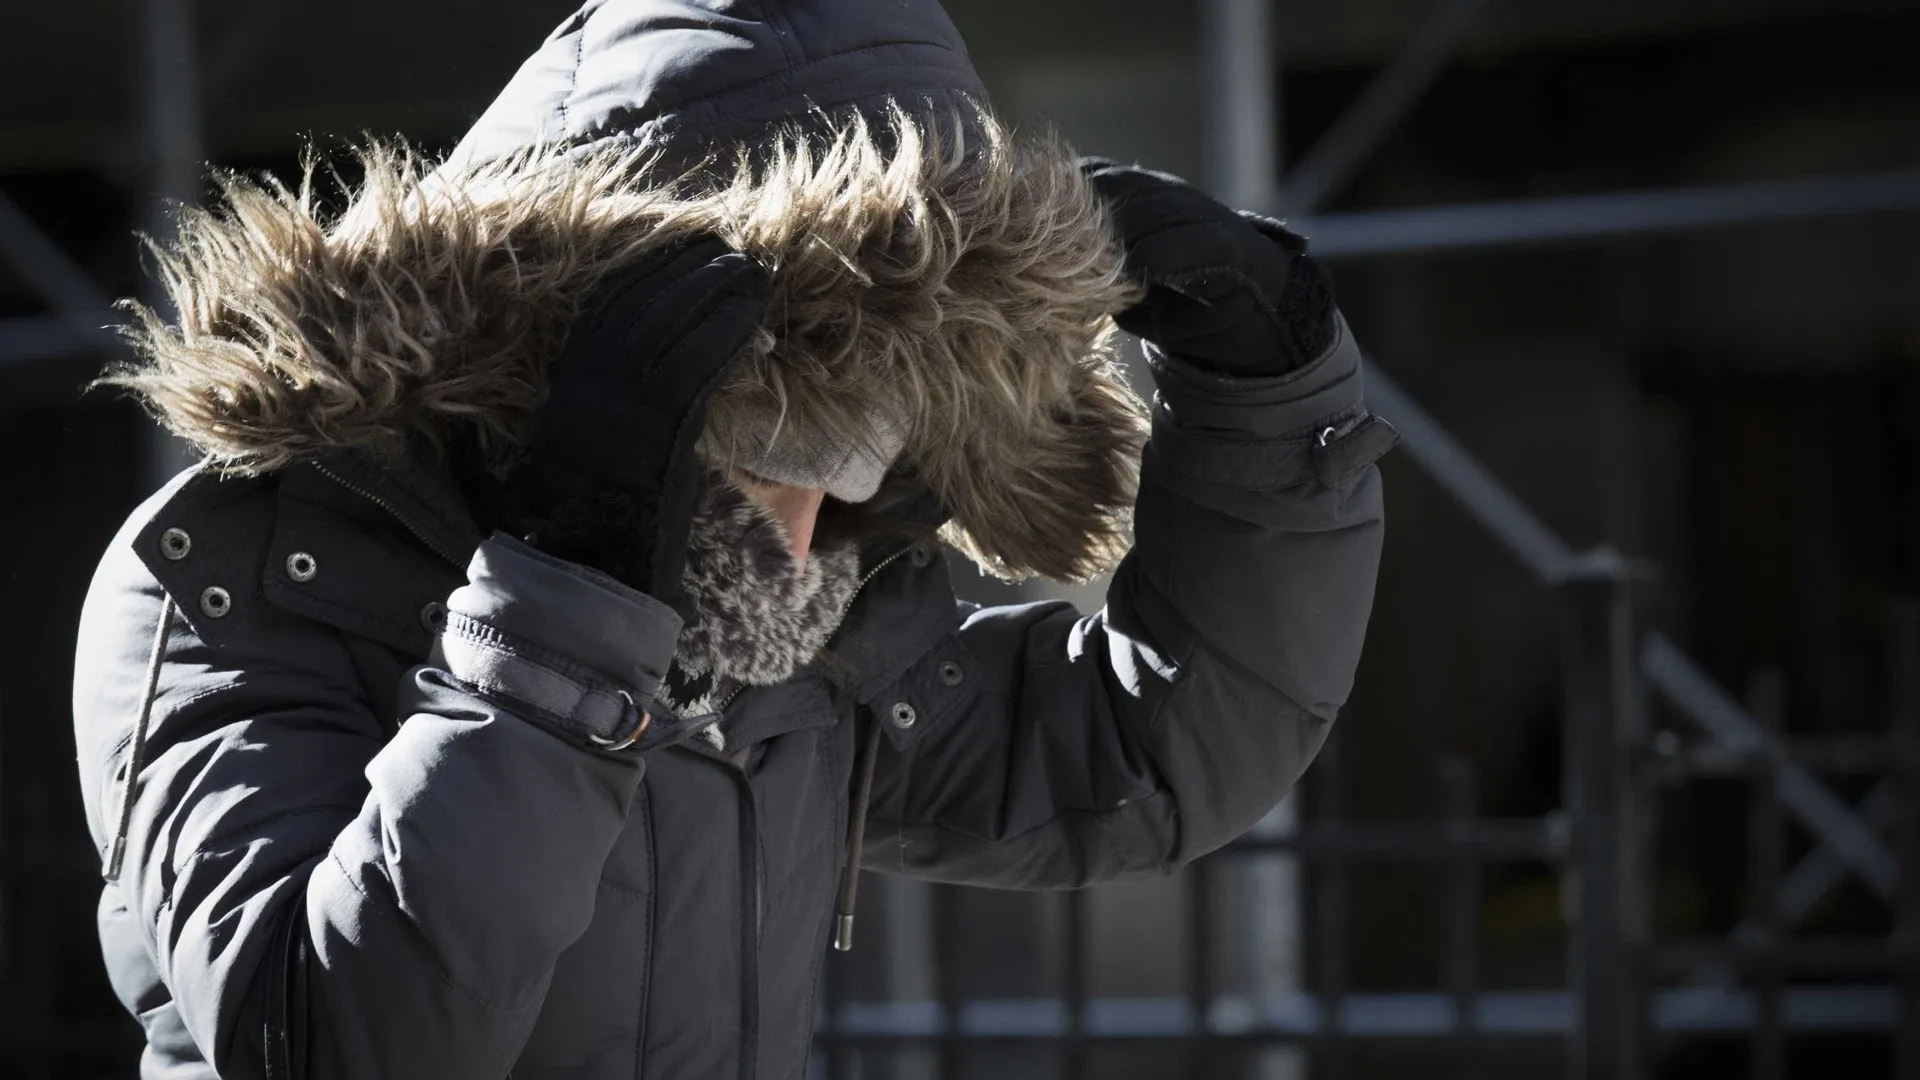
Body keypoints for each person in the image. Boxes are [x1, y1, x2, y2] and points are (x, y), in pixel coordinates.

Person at [71, 1, 1396, 1076]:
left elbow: (1144, 760)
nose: (802, 534)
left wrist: (1274, 397)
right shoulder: (231, 581)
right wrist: (565, 596)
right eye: (764, 439)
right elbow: (335, 1043)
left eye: (868, 445)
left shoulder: (801, 611)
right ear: (558, 351)